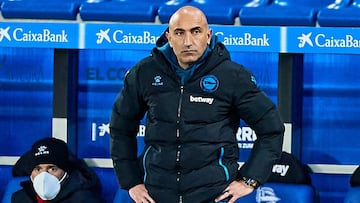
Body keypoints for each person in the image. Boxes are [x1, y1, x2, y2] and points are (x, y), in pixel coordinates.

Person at [109, 5, 284, 203]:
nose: (188, 42)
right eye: (179, 33)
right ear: (169, 37)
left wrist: (249, 180)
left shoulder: (233, 76)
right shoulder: (144, 72)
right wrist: (131, 181)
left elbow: (271, 129)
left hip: (214, 195)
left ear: (208, 36)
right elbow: (120, 128)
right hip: (157, 194)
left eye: (196, 32)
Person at [11, 137, 105, 203]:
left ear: (66, 172)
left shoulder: (84, 199)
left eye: (52, 169)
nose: (44, 175)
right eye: (38, 169)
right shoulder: (20, 198)